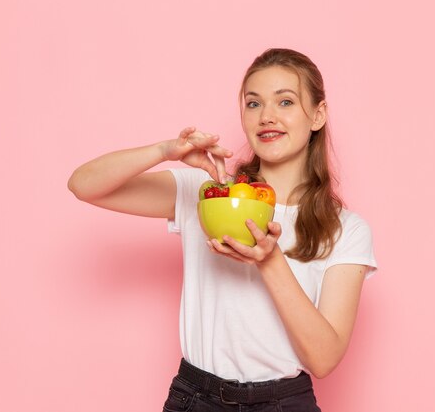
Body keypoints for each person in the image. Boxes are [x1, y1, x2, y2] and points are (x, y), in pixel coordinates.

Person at [68, 48, 377, 411]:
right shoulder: (209, 192)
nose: (267, 117)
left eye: (286, 102)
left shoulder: (344, 229)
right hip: (197, 398)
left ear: (317, 115)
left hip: (285, 403)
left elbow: (324, 359)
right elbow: (83, 184)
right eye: (253, 104)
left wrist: (269, 261)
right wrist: (165, 150)